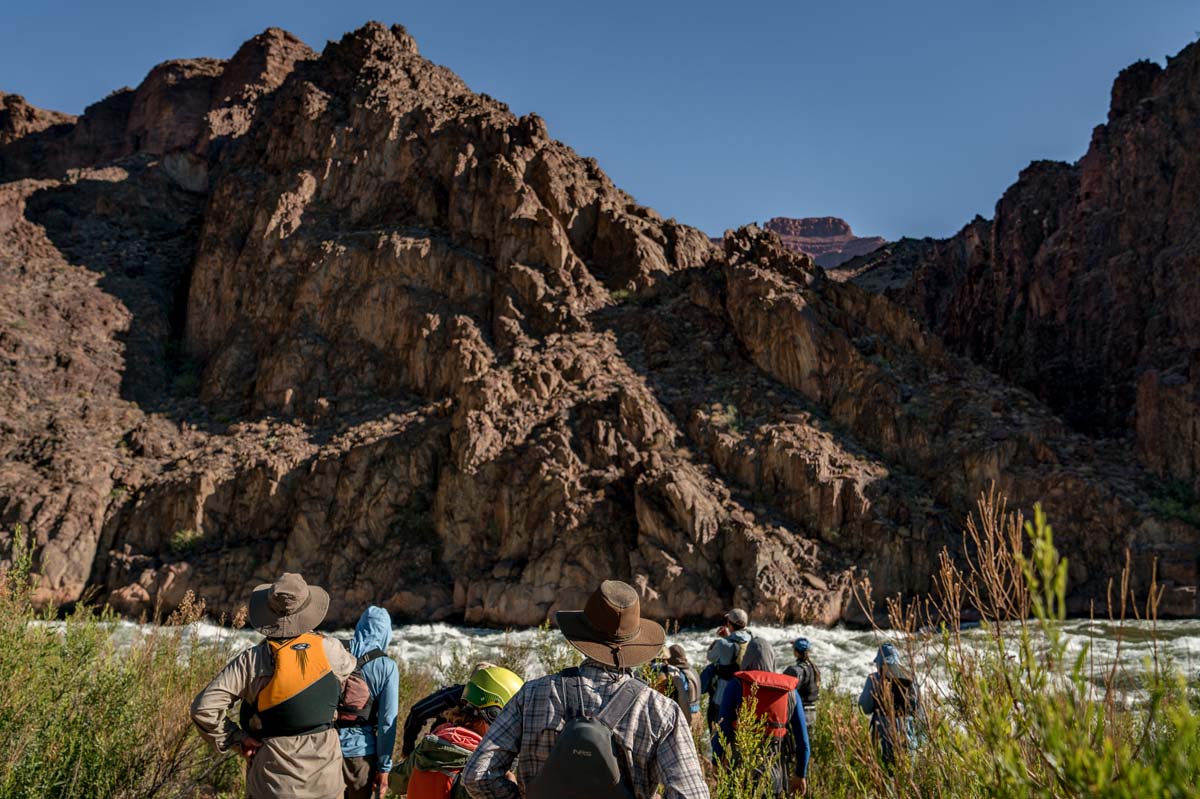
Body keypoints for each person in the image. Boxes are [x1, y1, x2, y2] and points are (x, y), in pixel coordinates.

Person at [461, 580, 710, 799]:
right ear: (634, 645)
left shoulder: (532, 694)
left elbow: (476, 776)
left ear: (583, 638)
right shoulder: (662, 712)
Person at [191, 573, 357, 799]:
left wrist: (237, 739)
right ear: (307, 612)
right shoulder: (331, 650)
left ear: (268, 612)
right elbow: (348, 669)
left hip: (272, 784)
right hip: (325, 782)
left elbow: (203, 708)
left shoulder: (251, 660)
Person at [393, 665, 524, 798]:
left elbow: (395, 782)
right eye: (508, 724)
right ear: (492, 715)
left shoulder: (430, 744)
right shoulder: (482, 772)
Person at [713, 638, 809, 797]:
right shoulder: (790, 692)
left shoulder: (736, 686)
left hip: (740, 775)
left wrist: (716, 762)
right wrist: (800, 774)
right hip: (775, 778)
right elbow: (803, 742)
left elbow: (722, 729)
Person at [338, 606, 399, 799]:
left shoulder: (334, 650)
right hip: (361, 755)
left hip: (324, 749)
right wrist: (384, 768)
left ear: (359, 626)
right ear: (387, 633)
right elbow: (387, 722)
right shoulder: (387, 667)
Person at [400, 661, 498, 757]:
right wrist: (408, 751)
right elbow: (417, 712)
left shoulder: (497, 704)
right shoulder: (452, 696)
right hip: (441, 750)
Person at [858, 643, 924, 768]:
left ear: (879, 663)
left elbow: (865, 708)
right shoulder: (910, 678)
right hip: (906, 732)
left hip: (882, 732)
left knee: (886, 771)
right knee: (906, 770)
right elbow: (918, 709)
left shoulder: (873, 679)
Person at [704, 609, 752, 730]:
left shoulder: (722, 643)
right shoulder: (752, 641)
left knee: (718, 737)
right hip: (746, 695)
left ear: (730, 624)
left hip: (722, 698)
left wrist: (719, 640)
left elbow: (710, 656)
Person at [653, 644, 702, 732]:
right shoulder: (692, 671)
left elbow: (683, 698)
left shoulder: (679, 675)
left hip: (688, 715)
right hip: (698, 715)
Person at [782, 637, 820, 724]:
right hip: (813, 712)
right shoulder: (815, 669)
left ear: (796, 652)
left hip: (800, 712)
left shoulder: (795, 670)